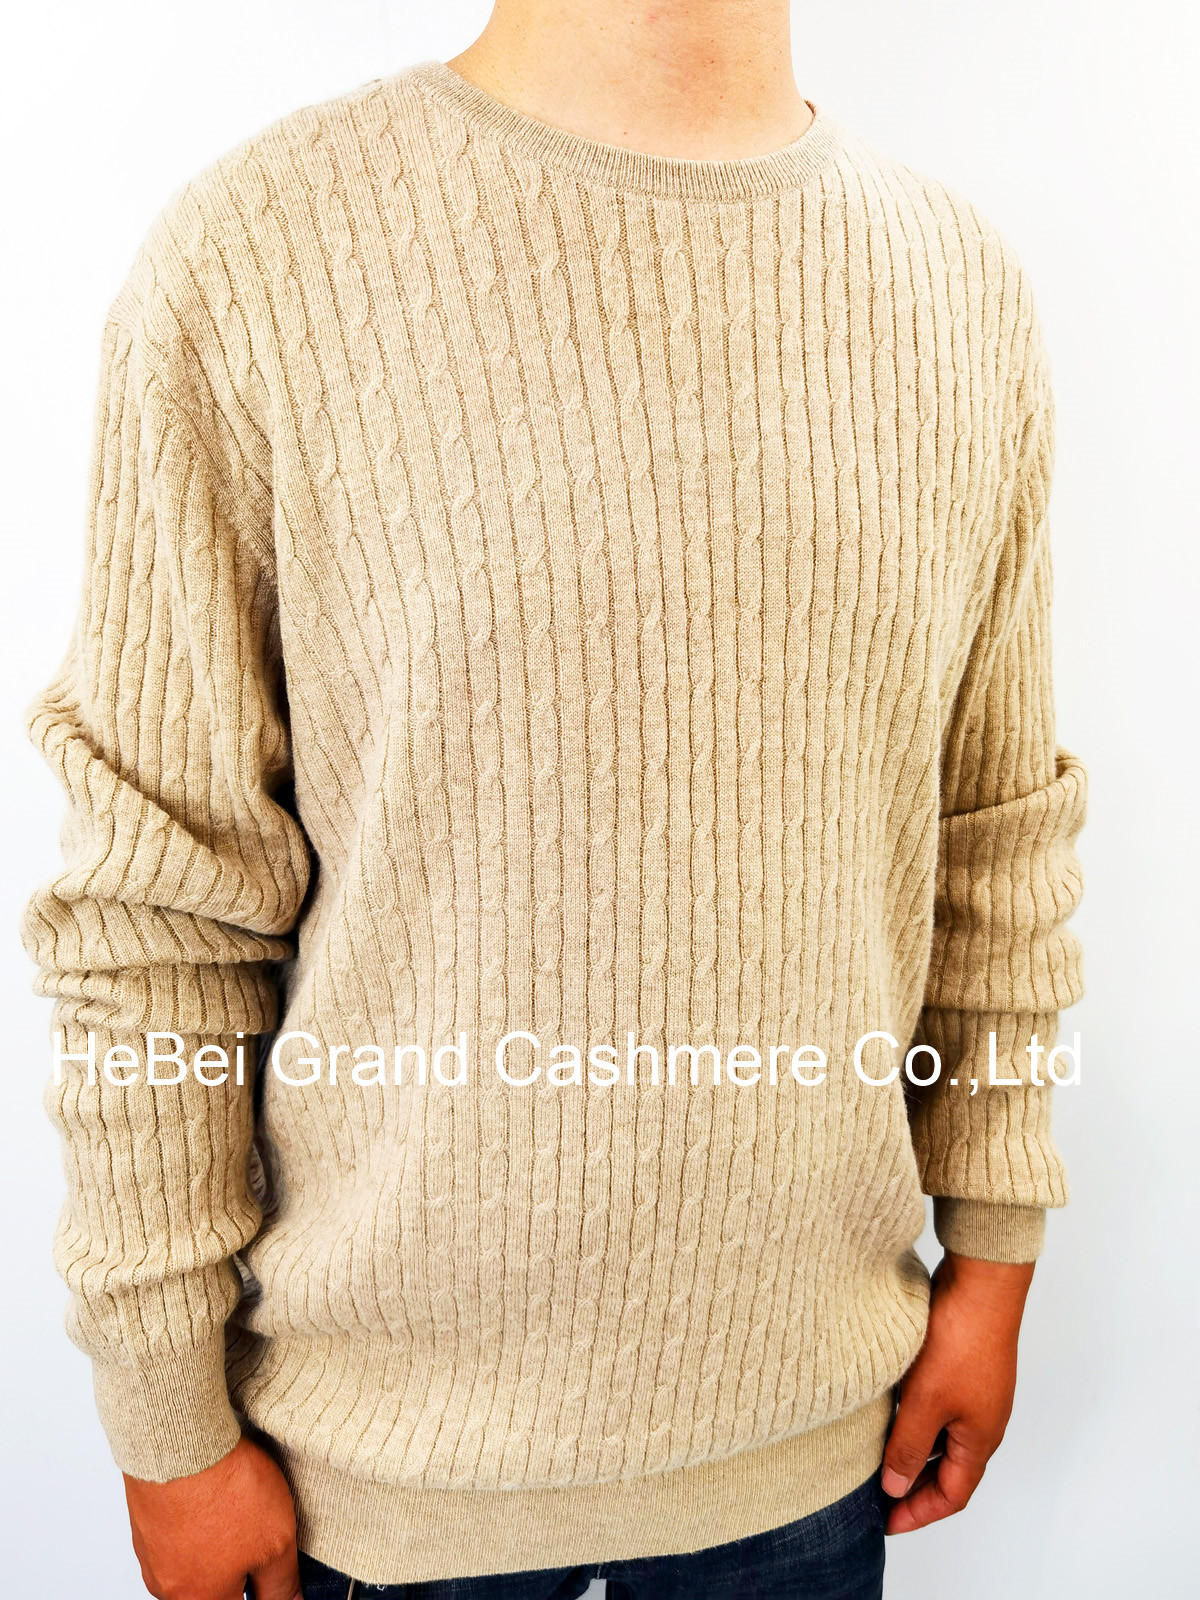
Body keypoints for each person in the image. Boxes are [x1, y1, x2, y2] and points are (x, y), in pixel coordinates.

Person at [19, 2, 1088, 1597]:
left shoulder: (960, 290)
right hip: (371, 1492)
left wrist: (994, 1250)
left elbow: (992, 837)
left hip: (812, 1452)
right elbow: (157, 905)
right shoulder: (259, 261)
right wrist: (165, 1415)